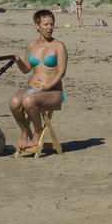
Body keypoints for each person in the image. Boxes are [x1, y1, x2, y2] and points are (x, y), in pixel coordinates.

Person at [9, 9, 68, 152]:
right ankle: (25, 131)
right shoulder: (31, 45)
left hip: (53, 91)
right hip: (33, 87)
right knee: (14, 102)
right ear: (37, 26)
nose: (49, 28)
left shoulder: (58, 46)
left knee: (28, 101)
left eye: (52, 24)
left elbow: (61, 72)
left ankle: (37, 133)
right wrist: (17, 61)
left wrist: (47, 86)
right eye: (46, 24)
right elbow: (26, 69)